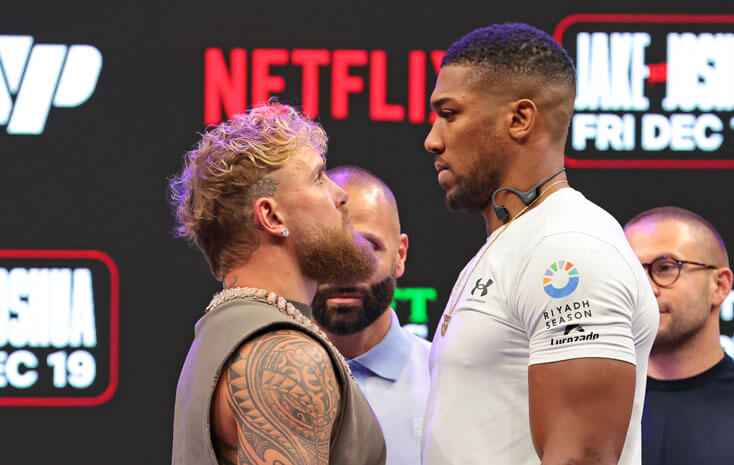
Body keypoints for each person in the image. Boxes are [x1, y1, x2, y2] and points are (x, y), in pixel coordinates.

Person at [421, 23, 659, 465]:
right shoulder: (518, 240)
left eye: (449, 114)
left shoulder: (567, 247)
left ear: (520, 119)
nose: (432, 140)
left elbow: (581, 457)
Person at [169, 103, 386, 465]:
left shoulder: (224, 332)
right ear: (271, 216)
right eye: (318, 178)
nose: (341, 194)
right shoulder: (286, 357)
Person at [624, 206, 734, 465]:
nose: (647, 289)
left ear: (720, 285)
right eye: (632, 273)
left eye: (665, 268)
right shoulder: (590, 411)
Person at [311, 166, 430, 465]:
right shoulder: (265, 381)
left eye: (367, 246)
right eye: (328, 247)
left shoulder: (447, 380)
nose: (345, 268)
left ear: (400, 254)